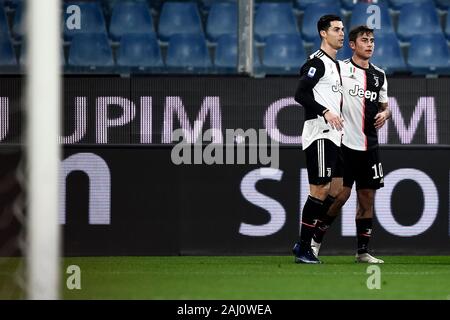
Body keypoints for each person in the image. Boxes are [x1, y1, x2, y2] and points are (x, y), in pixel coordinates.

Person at [311, 25, 391, 263]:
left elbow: (385, 108)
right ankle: (314, 242)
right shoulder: (340, 69)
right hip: (344, 144)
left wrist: (386, 115)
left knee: (366, 199)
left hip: (369, 147)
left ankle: (362, 251)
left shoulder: (379, 75)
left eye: (372, 40)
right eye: (364, 40)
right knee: (338, 197)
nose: (369, 44)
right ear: (353, 45)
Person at [292, 14, 345, 264]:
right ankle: (303, 246)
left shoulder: (337, 66)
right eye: (336, 29)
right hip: (320, 132)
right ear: (323, 33)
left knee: (336, 189)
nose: (341, 33)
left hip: (335, 134)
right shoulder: (318, 62)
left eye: (343, 29)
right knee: (320, 188)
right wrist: (324, 111)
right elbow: (300, 94)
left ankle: (305, 242)